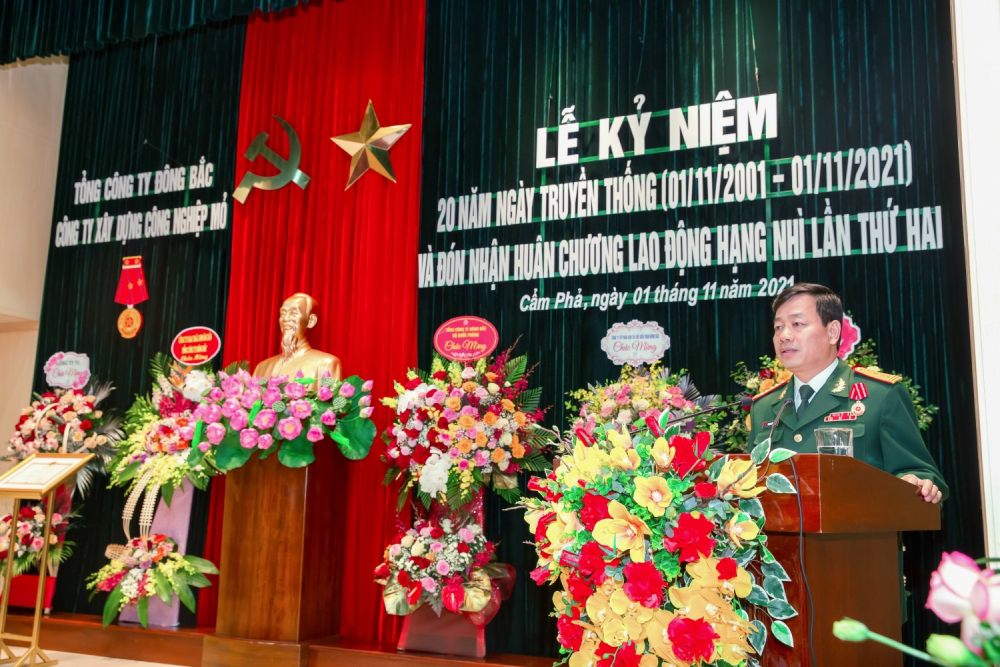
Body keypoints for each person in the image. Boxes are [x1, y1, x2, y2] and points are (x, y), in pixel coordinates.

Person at [747, 282, 947, 503]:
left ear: (832, 332)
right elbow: (750, 486)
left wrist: (916, 483)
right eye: (778, 327)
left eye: (797, 324)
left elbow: (921, 473)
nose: (784, 335)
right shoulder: (764, 407)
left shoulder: (880, 396)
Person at [253, 292, 343, 380]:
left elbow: (328, 394)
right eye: (283, 313)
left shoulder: (326, 364)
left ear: (311, 321)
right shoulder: (261, 368)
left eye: (293, 313)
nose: (286, 318)